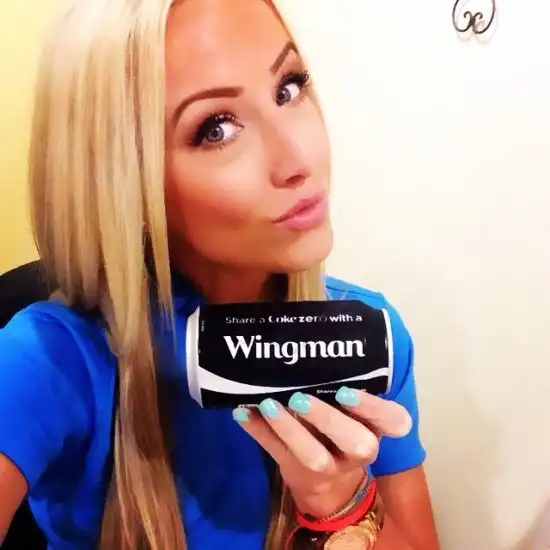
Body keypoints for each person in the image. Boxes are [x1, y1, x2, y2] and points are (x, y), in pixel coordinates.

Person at [0, 0, 440, 549]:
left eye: (289, 88)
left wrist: (341, 503)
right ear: (125, 183)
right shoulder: (47, 362)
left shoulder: (368, 339)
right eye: (216, 128)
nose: (298, 158)